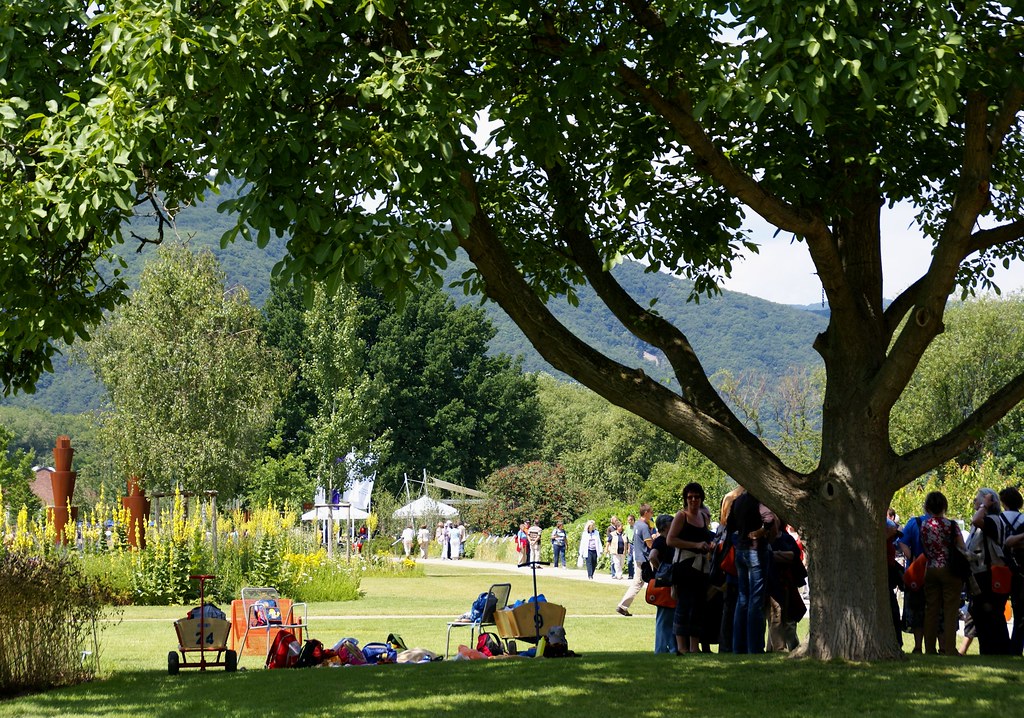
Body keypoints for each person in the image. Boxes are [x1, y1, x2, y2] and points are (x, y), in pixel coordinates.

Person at [667, 482, 714, 654]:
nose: (693, 500)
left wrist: (709, 545)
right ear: (685, 499)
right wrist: (695, 545)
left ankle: (694, 647)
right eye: (690, 497)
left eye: (696, 497)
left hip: (701, 567)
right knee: (684, 605)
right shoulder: (682, 516)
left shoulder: (703, 516)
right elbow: (670, 540)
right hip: (684, 566)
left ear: (701, 499)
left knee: (699, 606)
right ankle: (681, 647)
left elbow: (706, 537)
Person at [729, 490, 777, 654]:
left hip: (740, 551)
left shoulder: (738, 501)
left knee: (742, 600)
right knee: (756, 601)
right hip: (756, 551)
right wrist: (762, 531)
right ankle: (755, 647)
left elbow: (730, 525)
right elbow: (769, 519)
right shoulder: (760, 500)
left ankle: (738, 647)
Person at [920, 491, 967, 655]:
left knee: (931, 610)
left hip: (931, 569)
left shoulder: (924, 525)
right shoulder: (951, 525)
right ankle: (949, 648)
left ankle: (929, 648)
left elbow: (924, 548)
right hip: (950, 569)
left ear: (927, 506)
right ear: (944, 506)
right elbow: (962, 547)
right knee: (950, 610)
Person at [966, 487, 1011, 654]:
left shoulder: (992, 520)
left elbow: (976, 520)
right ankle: (990, 650)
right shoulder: (989, 520)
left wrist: (984, 505)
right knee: (981, 613)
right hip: (981, 572)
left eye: (978, 499)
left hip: (989, 573)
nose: (975, 502)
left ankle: (997, 650)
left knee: (990, 612)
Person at [767, 520, 807, 652]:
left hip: (787, 582)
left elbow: (793, 556)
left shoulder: (786, 538)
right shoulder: (766, 539)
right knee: (775, 615)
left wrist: (776, 554)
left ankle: (793, 647)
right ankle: (777, 648)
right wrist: (781, 555)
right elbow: (768, 556)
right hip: (772, 581)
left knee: (789, 618)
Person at [898, 506, 930, 653]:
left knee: (917, 610)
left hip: (916, 573)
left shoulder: (914, 522)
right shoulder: (948, 524)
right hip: (937, 570)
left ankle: (918, 646)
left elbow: (902, 541)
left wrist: (911, 557)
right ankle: (939, 647)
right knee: (936, 610)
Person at [999, 486, 1024, 654]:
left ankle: (1003, 645)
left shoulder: (997, 519)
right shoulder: (1023, 520)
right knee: (1020, 610)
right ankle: (1016, 646)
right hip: (1019, 567)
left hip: (999, 567)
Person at [616, 504, 654, 616]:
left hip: (638, 556)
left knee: (639, 582)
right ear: (646, 513)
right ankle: (622, 606)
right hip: (644, 558)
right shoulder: (644, 526)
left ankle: (623, 606)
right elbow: (649, 544)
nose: (652, 514)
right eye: (651, 512)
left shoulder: (637, 524)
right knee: (639, 583)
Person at [649, 514, 676, 653]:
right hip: (665, 583)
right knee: (664, 617)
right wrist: (661, 570)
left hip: (666, 583)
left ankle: (671, 648)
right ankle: (660, 649)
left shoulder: (668, 540)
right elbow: (652, 556)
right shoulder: (661, 541)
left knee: (668, 616)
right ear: (666, 526)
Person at [624, 515, 636, 579]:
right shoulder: (627, 527)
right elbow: (627, 538)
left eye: (630, 520)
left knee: (636, 561)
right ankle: (630, 574)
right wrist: (628, 548)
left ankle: (637, 574)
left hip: (636, 544)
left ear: (633, 520)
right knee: (629, 560)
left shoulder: (636, 527)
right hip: (630, 545)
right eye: (628, 520)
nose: (629, 521)